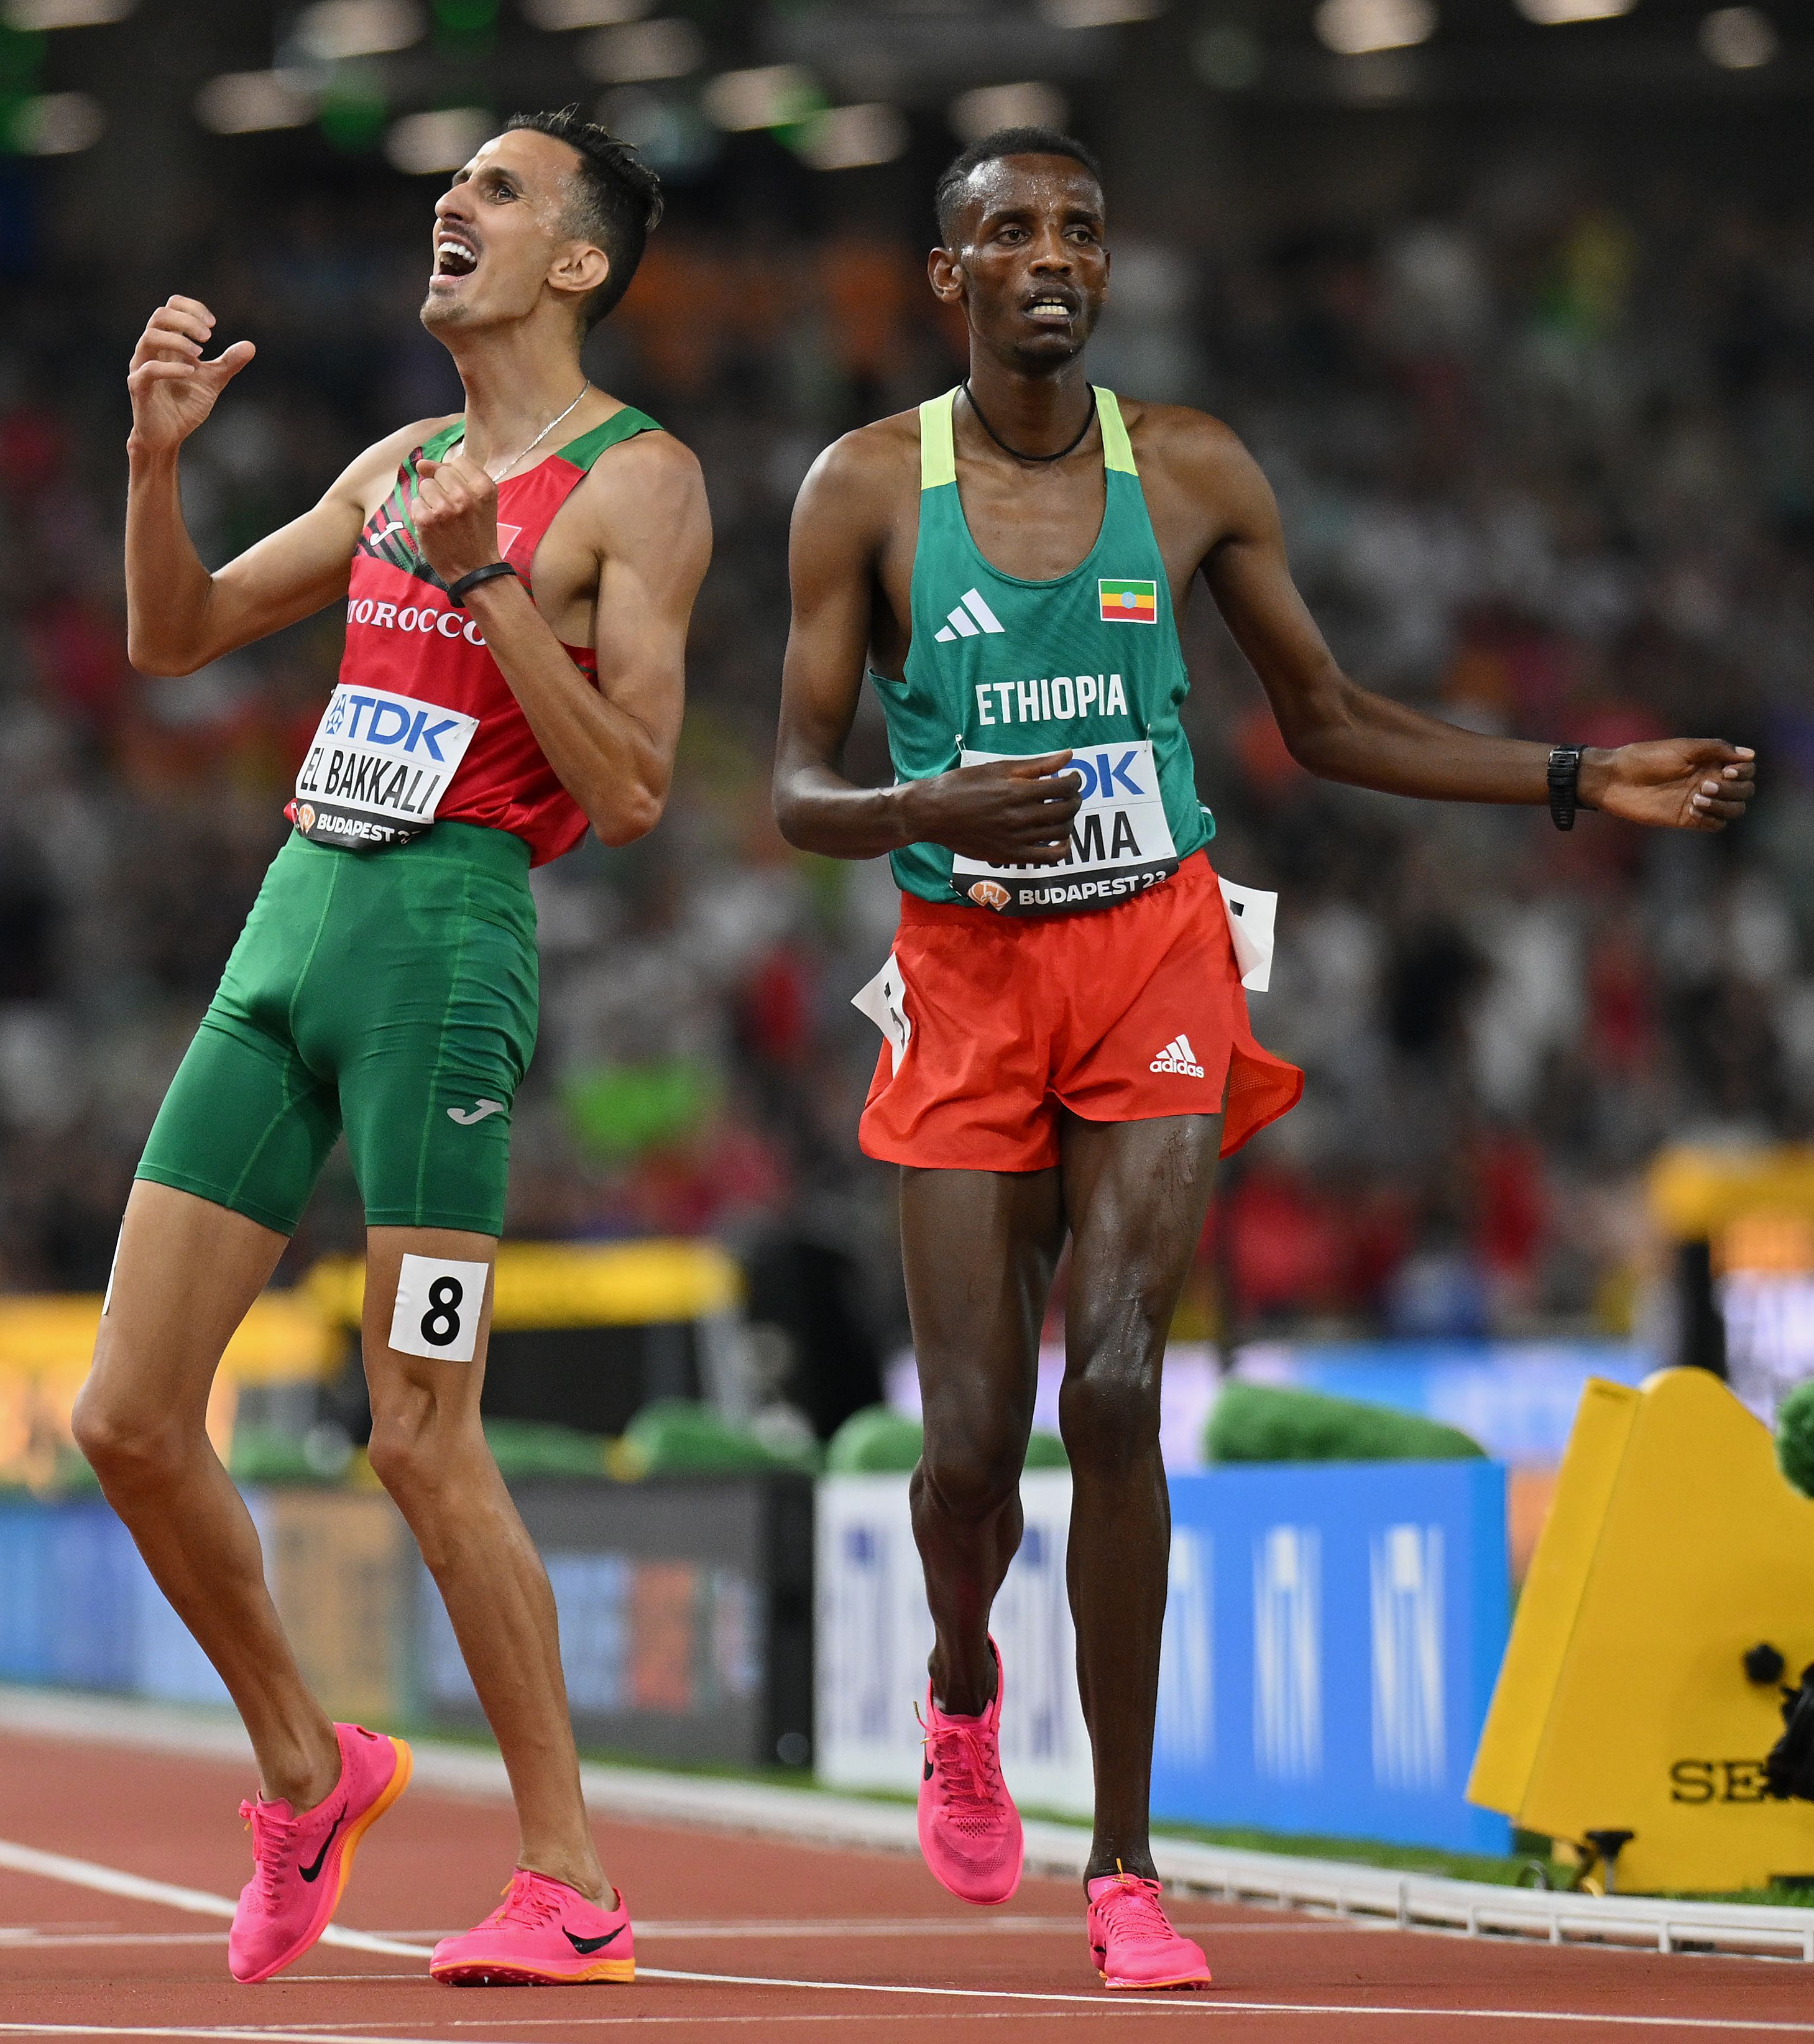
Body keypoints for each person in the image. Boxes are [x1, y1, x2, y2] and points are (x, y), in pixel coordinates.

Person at [772, 126, 1754, 1992]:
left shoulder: (1196, 468)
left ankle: (1126, 1866)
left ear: (1107, 268)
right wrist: (928, 798)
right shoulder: (859, 492)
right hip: (964, 977)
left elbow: (1325, 715)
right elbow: (793, 785)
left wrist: (1571, 774)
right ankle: (964, 1683)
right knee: (968, 1449)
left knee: (1121, 1395)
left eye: (1079, 228)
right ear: (947, 277)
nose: (1049, 255)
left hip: (1154, 947)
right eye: (1008, 232)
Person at [70, 109, 710, 1991]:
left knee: (419, 1437)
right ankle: (305, 1759)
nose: (456, 208)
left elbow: (640, 785)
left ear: (575, 262)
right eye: (458, 189)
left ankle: (567, 1870)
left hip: (445, 950)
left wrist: (491, 579)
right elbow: (171, 633)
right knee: (120, 1414)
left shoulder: (639, 481)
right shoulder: (399, 461)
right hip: (294, 921)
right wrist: (151, 465)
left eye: (500, 194)